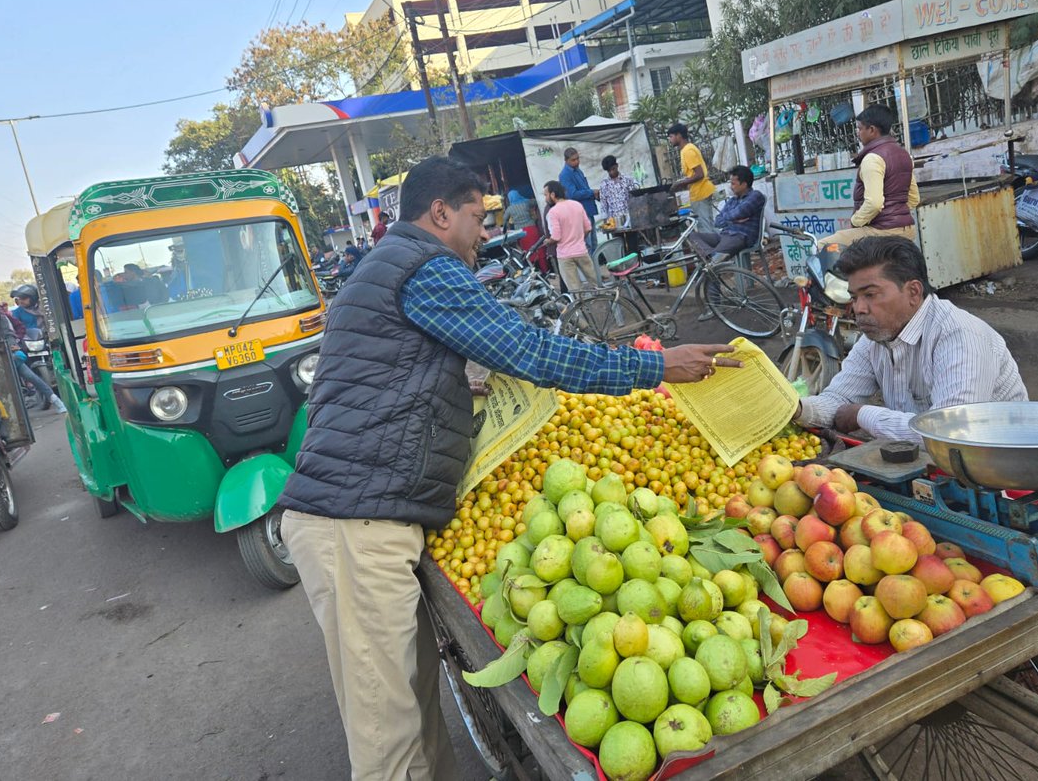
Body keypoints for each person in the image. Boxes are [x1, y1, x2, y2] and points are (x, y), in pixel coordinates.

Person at [277, 156, 739, 781]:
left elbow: (390, 377)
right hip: (354, 525)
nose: (484, 233)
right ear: (439, 213)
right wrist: (654, 365)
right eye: (476, 217)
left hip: (364, 516)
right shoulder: (423, 265)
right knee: (389, 743)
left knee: (413, 713)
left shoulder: (386, 264)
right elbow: (526, 349)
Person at [794, 236, 1026, 442]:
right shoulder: (875, 338)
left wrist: (862, 415)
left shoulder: (960, 336)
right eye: (854, 297)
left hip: (999, 469)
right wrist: (796, 409)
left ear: (913, 292)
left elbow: (951, 432)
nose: (858, 309)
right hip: (926, 464)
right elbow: (840, 397)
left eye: (870, 295)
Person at [822, 104, 921, 246]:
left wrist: (855, 221)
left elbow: (874, 203)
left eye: (860, 128)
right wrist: (898, 216)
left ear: (872, 130)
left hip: (881, 231)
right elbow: (914, 198)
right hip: (907, 230)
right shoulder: (904, 155)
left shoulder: (873, 159)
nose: (858, 133)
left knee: (822, 246)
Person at [687, 165, 766, 263]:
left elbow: (739, 212)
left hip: (741, 236)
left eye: (733, 184)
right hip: (724, 235)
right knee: (692, 236)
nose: (731, 187)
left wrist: (730, 218)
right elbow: (717, 221)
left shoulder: (755, 196)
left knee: (716, 257)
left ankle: (713, 260)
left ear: (744, 184)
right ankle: (711, 257)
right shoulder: (733, 200)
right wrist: (734, 220)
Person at [543, 180, 595, 291]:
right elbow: (588, 228)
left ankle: (580, 303)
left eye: (546, 195)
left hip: (565, 256)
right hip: (582, 251)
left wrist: (548, 241)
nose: (545, 198)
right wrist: (579, 239)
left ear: (553, 195)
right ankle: (604, 299)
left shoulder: (553, 212)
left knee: (575, 289)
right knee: (595, 283)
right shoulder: (577, 205)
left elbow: (556, 236)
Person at [668, 123, 715, 230]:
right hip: (698, 192)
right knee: (707, 225)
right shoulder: (686, 149)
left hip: (701, 192)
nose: (670, 140)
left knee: (705, 227)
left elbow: (699, 174)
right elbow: (693, 174)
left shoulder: (687, 151)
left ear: (679, 135)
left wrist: (680, 183)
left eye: (671, 136)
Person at [559, 147, 598, 251]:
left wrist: (594, 195)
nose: (576, 162)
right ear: (566, 160)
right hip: (579, 213)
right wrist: (591, 192)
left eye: (577, 159)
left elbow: (584, 188)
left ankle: (595, 262)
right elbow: (573, 194)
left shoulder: (578, 170)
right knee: (587, 245)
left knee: (594, 242)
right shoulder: (565, 175)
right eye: (573, 160)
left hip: (588, 210)